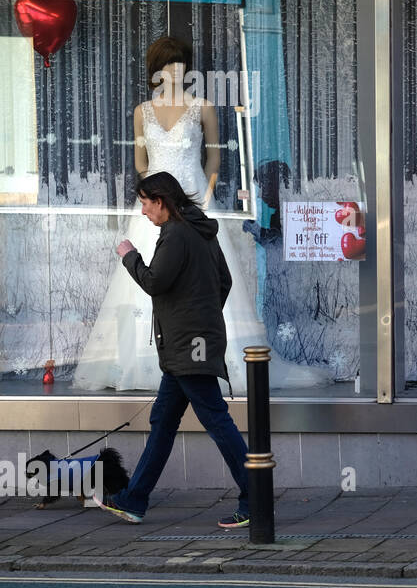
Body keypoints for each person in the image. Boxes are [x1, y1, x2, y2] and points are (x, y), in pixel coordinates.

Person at [74, 35, 325, 393]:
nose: (175, 72)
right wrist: (155, 198)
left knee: (206, 279)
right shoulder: (142, 112)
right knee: (151, 282)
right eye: (168, 65)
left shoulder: (203, 106)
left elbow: (215, 157)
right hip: (157, 205)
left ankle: (211, 358)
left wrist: (204, 194)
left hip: (196, 203)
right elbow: (141, 163)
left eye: (180, 65)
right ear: (156, 70)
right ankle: (145, 362)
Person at [95, 171, 250, 527]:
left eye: (146, 204)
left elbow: (154, 281)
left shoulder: (177, 234)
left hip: (188, 346)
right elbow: (223, 282)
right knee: (163, 422)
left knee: (215, 420)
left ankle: (254, 496)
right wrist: (201, 312)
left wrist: (129, 255)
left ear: (161, 202)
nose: (145, 212)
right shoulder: (198, 229)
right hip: (189, 343)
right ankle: (134, 499)